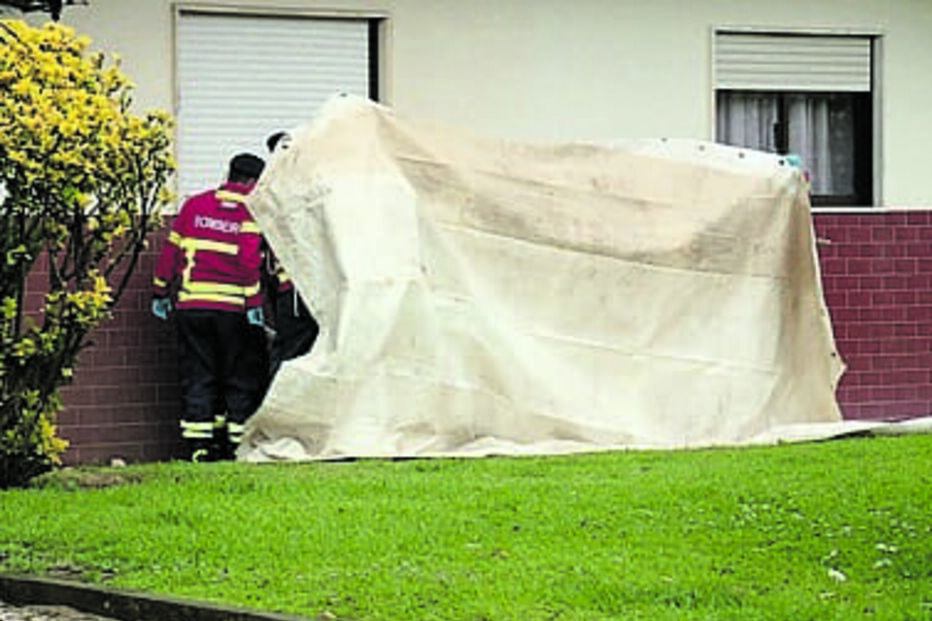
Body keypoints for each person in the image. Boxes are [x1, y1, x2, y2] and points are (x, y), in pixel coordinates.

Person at [151, 153, 269, 462]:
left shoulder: (194, 205)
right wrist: (254, 303)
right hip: (232, 310)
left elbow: (171, 251)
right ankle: (234, 445)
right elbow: (247, 262)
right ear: (253, 182)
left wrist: (160, 291)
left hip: (192, 307)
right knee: (237, 376)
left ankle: (199, 447)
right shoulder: (251, 210)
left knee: (199, 374)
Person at [263, 131, 320, 381]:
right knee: (294, 353)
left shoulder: (272, 187)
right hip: (302, 290)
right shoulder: (299, 187)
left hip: (293, 289)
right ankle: (275, 413)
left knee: (293, 351)